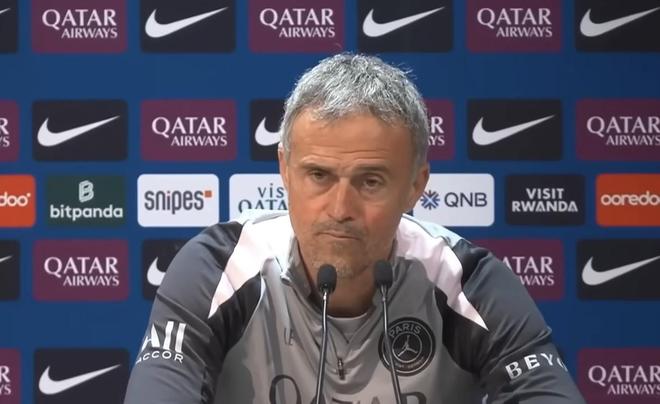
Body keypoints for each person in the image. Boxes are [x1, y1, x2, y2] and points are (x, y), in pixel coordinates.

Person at [123, 53, 585, 404]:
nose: (340, 209)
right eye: (318, 175)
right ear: (284, 169)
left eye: (370, 181)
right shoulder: (220, 268)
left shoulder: (464, 280)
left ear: (415, 185)